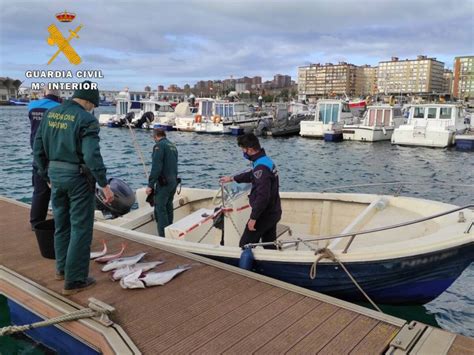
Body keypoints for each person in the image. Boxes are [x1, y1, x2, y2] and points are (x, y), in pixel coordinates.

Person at [33, 81, 114, 295]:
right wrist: (104, 184)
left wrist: (45, 174)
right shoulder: (87, 120)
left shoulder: (51, 114)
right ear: (88, 101)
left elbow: (38, 148)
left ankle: (61, 269)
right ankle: (75, 280)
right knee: (81, 227)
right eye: (93, 104)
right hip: (78, 179)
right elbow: (91, 156)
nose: (92, 108)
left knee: (62, 224)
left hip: (55, 176)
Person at [220, 133, 281, 249]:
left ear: (250, 149)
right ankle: (270, 264)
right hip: (274, 210)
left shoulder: (261, 168)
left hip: (264, 214)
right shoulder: (264, 160)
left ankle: (245, 267)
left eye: (243, 149)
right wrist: (232, 178)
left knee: (245, 245)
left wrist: (253, 218)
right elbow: (251, 175)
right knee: (269, 245)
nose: (243, 152)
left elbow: (263, 197)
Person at [28, 89, 61, 229]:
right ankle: (60, 223)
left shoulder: (32, 106)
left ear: (45, 92)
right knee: (58, 193)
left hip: (36, 152)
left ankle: (35, 223)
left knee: (39, 191)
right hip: (53, 154)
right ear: (58, 95)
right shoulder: (58, 108)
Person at [145, 128, 178, 237]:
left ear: (155, 136)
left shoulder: (159, 146)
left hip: (164, 183)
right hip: (173, 182)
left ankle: (163, 236)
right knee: (168, 206)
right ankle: (170, 231)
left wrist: (150, 185)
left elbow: (156, 167)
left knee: (160, 208)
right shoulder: (173, 146)